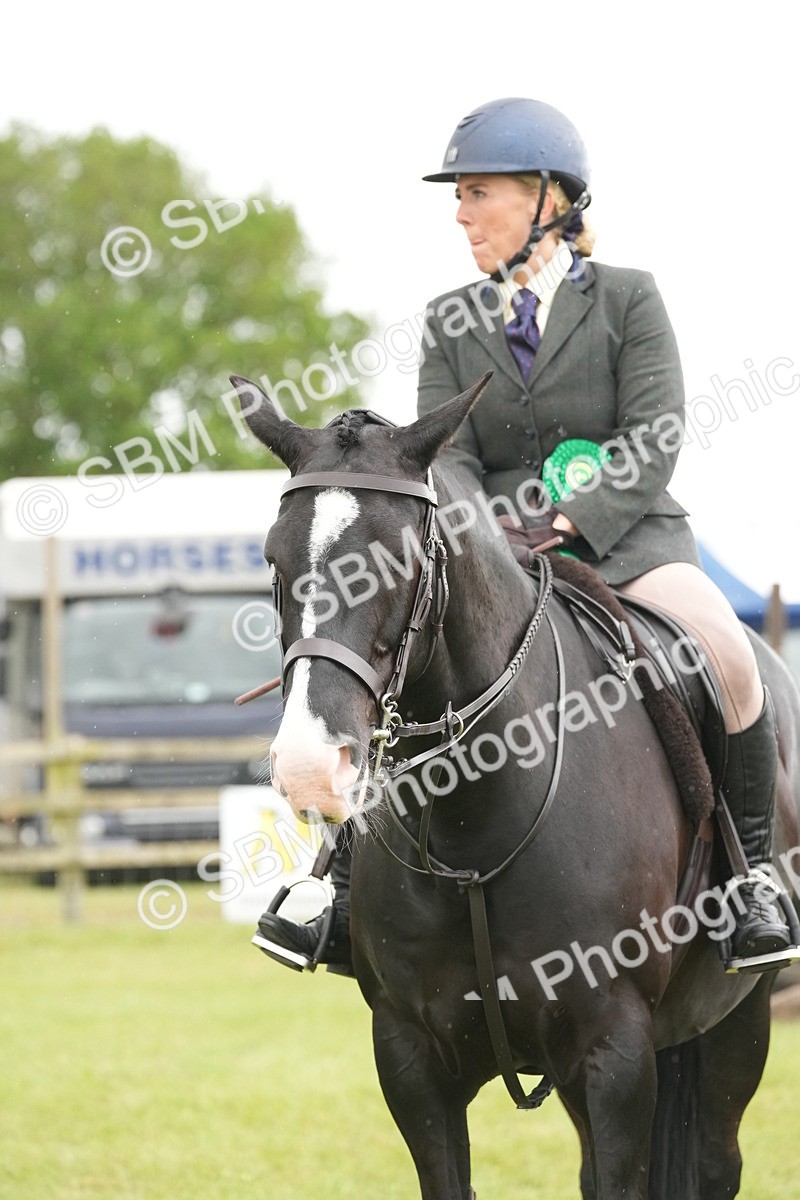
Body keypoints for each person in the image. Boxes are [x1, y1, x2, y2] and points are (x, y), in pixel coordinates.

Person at [256, 97, 797, 975]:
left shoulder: (628, 299)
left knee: (731, 661)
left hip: (633, 548)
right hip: (496, 558)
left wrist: (575, 519)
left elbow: (655, 433)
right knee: (399, 673)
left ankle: (751, 884)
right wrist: (494, 529)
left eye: (477, 193)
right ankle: (338, 889)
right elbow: (448, 453)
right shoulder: (448, 318)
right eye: (458, 197)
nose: (460, 213)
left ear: (550, 198)